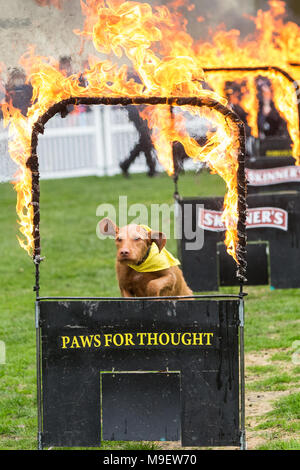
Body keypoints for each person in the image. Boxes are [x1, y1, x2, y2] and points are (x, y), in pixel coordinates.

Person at [119, 105, 157, 177]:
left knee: (145, 141)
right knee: (146, 139)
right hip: (138, 112)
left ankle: (125, 165)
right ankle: (152, 170)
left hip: (143, 111)